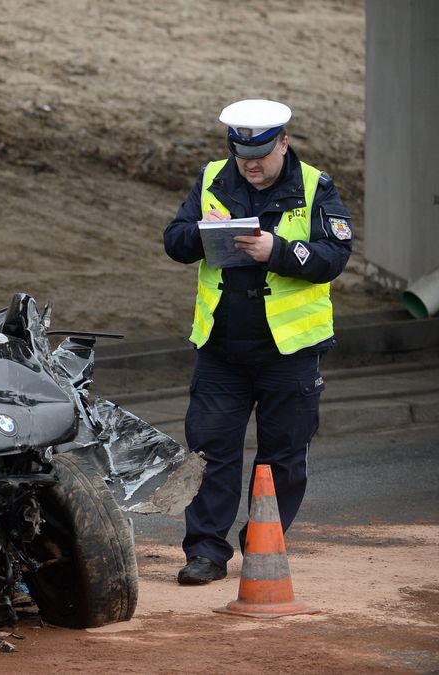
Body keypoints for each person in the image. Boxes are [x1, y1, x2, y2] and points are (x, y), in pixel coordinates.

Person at [163, 99, 353, 585]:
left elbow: (334, 256)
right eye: (243, 154)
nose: (251, 164)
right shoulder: (213, 178)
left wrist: (279, 251)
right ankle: (205, 552)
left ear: (283, 144)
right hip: (222, 349)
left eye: (262, 154)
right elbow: (174, 240)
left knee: (284, 455)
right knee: (209, 454)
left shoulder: (315, 186)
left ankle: (263, 545)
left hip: (289, 352)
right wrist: (204, 233)